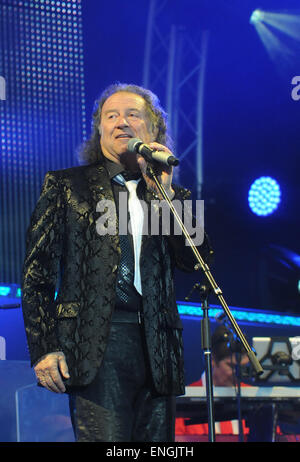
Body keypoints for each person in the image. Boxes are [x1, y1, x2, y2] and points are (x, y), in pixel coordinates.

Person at [21, 82, 212, 442]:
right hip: (96, 344)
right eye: (112, 116)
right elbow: (36, 274)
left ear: (154, 129)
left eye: (132, 114)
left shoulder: (173, 195)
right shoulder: (66, 186)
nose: (121, 122)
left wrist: (165, 194)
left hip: (158, 347)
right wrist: (44, 348)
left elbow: (196, 260)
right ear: (100, 129)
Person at [175, 324, 251, 439]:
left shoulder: (253, 395)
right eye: (232, 366)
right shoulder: (185, 399)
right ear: (212, 360)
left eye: (243, 367)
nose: (238, 373)